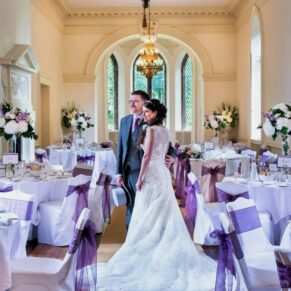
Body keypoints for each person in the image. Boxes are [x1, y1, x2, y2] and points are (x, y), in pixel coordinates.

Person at [97, 99, 216, 291]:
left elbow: (147, 155)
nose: (144, 115)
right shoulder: (165, 130)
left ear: (155, 113)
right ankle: (159, 242)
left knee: (149, 210)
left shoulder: (151, 130)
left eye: (147, 112)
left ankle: (149, 246)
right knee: (162, 210)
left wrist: (140, 177)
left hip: (151, 173)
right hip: (161, 173)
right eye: (143, 112)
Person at [116, 90, 175, 228]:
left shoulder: (151, 120)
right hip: (127, 170)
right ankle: (131, 233)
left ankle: (145, 233)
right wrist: (118, 173)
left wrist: (172, 157)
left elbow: (168, 146)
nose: (131, 104)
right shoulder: (124, 121)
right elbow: (120, 148)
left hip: (145, 170)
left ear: (145, 103)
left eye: (135, 101)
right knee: (130, 203)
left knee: (144, 205)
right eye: (130, 101)